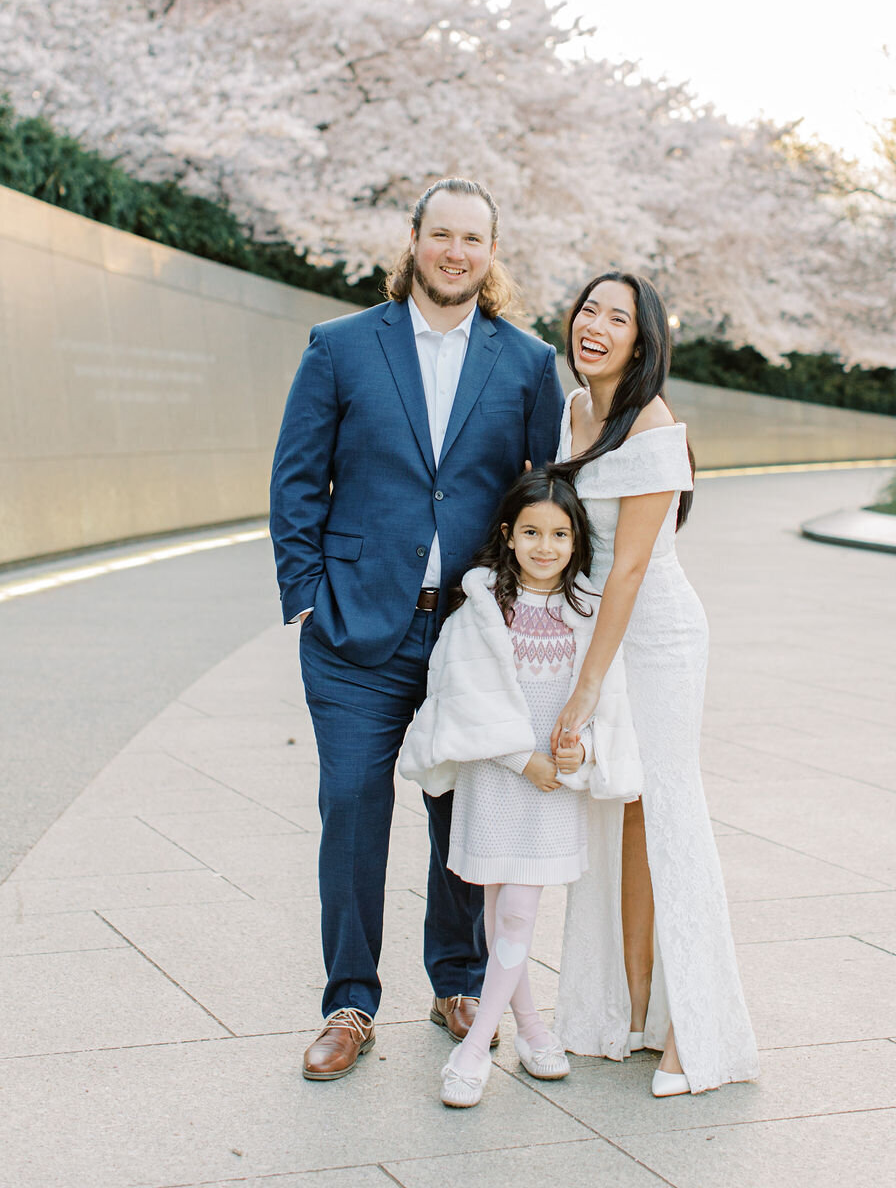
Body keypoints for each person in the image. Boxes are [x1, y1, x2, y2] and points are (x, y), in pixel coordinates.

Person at [269, 178, 563, 1082]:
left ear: (490, 251)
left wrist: (529, 615)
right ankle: (349, 1002)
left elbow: (547, 492)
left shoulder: (525, 362)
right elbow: (294, 482)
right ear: (415, 240)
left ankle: (458, 981)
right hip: (355, 632)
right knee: (353, 808)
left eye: (473, 239)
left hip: (470, 638)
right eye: (442, 235)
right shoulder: (342, 347)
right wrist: (309, 595)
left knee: (461, 816)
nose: (456, 252)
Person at [550, 271, 759, 1097]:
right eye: (589, 310)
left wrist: (584, 689)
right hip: (597, 629)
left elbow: (631, 565)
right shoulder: (572, 411)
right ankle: (625, 1011)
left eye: (618, 318)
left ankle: (693, 1032)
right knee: (617, 815)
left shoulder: (653, 420)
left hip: (655, 638)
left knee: (667, 811)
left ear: (644, 341)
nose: (595, 326)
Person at [399, 468, 643, 1107]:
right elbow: (460, 699)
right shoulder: (480, 610)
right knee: (500, 905)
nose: (545, 546)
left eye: (560, 534)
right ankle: (532, 1028)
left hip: (551, 788)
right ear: (507, 536)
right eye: (531, 532)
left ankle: (476, 1045)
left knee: (518, 910)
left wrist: (577, 750)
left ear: (576, 542)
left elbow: (607, 702)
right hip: (501, 780)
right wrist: (519, 757)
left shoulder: (587, 613)